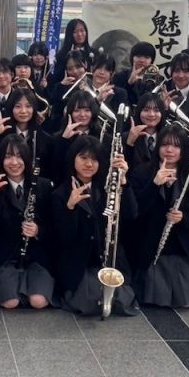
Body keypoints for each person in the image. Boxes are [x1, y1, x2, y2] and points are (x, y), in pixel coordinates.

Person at [50, 134, 138, 316]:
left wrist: (124, 182)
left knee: (120, 301)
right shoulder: (60, 193)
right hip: (78, 263)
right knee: (89, 303)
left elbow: (130, 215)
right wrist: (70, 207)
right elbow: (64, 238)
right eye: (83, 158)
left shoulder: (107, 187)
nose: (89, 164)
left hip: (106, 259)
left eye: (94, 159)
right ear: (72, 158)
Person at [129, 125, 189, 308]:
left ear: (183, 150)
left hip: (180, 245)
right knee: (155, 294)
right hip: (150, 241)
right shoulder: (142, 172)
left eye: (176, 146)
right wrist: (154, 185)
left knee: (185, 297)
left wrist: (183, 217)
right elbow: (134, 211)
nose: (169, 150)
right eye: (164, 145)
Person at [0, 135, 54, 309]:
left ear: (27, 159)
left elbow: (54, 226)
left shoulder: (43, 186)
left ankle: (25, 285)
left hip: (35, 256)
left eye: (19, 156)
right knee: (10, 303)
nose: (14, 162)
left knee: (38, 302)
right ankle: (17, 286)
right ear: (1, 160)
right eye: (8, 156)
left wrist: (38, 231)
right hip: (4, 257)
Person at [124, 92, 166, 169]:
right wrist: (129, 143)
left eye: (156, 110)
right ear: (139, 112)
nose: (151, 114)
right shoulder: (125, 137)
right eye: (146, 110)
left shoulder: (168, 137)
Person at [112, 41, 159, 107]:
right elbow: (115, 101)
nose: (142, 60)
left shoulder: (157, 80)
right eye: (138, 56)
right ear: (132, 58)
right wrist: (129, 84)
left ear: (152, 60)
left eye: (146, 57)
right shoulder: (120, 76)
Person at [50, 18, 94, 84]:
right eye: (75, 32)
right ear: (70, 34)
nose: (79, 34)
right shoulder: (62, 55)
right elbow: (56, 79)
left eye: (82, 30)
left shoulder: (93, 54)